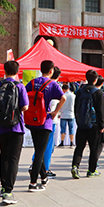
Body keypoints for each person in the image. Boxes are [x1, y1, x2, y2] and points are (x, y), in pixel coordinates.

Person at [25, 60, 66, 191]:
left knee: (39, 150)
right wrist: (55, 111)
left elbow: (24, 97)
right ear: (51, 71)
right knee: (39, 152)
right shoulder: (52, 84)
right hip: (44, 121)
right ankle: (33, 183)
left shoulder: (32, 82)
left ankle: (44, 177)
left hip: (32, 120)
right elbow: (63, 98)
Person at [0, 60, 29, 205]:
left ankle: (3, 186)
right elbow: (25, 106)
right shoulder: (19, 86)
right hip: (16, 127)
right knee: (13, 159)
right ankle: (8, 191)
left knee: (4, 157)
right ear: (17, 71)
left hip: (1, 127)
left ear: (5, 71)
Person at [71, 69, 104, 178]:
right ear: (96, 80)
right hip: (94, 125)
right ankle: (91, 170)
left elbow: (76, 107)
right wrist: (102, 125)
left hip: (81, 124)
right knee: (93, 148)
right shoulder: (98, 93)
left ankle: (75, 166)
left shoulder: (80, 91)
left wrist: (78, 120)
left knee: (79, 147)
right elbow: (100, 111)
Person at [30, 67, 62, 178]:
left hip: (34, 118)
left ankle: (37, 167)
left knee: (39, 147)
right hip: (48, 121)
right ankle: (44, 170)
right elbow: (63, 98)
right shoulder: (53, 86)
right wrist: (56, 112)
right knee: (47, 147)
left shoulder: (35, 83)